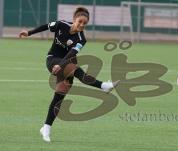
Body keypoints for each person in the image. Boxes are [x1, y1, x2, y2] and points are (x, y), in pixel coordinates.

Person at [19, 6, 119, 142]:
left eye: (85, 23)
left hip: (65, 65)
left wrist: (60, 66)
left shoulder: (81, 39)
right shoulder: (61, 24)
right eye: (80, 22)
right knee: (76, 71)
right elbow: (45, 27)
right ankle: (103, 86)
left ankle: (46, 128)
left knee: (59, 98)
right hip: (52, 59)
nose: (82, 25)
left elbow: (72, 53)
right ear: (74, 20)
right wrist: (29, 33)